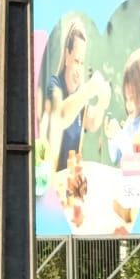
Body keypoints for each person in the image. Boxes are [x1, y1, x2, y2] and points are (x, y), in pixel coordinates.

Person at [46, 17, 109, 170]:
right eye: (76, 61)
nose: (79, 69)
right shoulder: (54, 85)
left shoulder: (79, 94)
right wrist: (89, 89)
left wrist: (102, 102)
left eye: (82, 62)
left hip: (71, 179)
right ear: (66, 55)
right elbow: (61, 116)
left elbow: (92, 123)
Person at [106, 49, 140, 164]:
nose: (128, 104)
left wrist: (119, 135)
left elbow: (136, 158)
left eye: (132, 98)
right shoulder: (130, 121)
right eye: (126, 99)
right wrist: (111, 137)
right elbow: (115, 157)